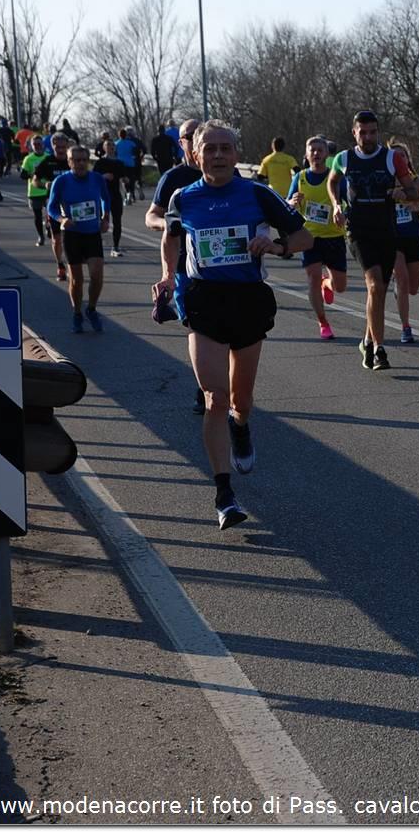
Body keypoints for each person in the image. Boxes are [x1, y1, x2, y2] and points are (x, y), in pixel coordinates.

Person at [153, 120, 312, 529]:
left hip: (247, 301)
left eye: (225, 148)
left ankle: (241, 428)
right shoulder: (183, 197)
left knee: (240, 401)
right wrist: (168, 276)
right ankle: (224, 495)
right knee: (215, 398)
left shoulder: (257, 193)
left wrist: (275, 245)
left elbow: (304, 238)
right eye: (210, 148)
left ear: (237, 154)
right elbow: (171, 237)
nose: (218, 155)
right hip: (203, 300)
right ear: (196, 154)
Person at [326, 110, 418, 371]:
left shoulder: (392, 158)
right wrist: (336, 205)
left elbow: (413, 191)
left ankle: (367, 340)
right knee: (375, 285)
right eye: (363, 132)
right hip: (358, 232)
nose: (368, 137)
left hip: (387, 231)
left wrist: (402, 193)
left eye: (373, 132)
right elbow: (332, 183)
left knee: (378, 292)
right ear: (354, 132)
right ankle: (379, 349)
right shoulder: (343, 159)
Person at [146, 117, 207, 414]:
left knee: (224, 329)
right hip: (185, 265)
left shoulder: (225, 172)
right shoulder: (173, 178)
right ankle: (205, 388)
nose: (194, 140)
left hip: (222, 266)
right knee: (198, 327)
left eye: (198, 134)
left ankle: (217, 384)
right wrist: (169, 224)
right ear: (181, 143)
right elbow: (151, 216)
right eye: (188, 136)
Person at [288, 135, 349, 340]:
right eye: (312, 150)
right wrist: (292, 202)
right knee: (312, 278)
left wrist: (344, 213)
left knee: (340, 286)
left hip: (334, 236)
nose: (316, 153)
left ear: (326, 154)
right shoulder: (300, 178)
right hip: (309, 237)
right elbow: (287, 203)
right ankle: (323, 322)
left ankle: (327, 284)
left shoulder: (336, 177)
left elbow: (350, 202)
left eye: (320, 150)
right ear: (306, 155)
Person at [47, 144, 112, 333]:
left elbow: (106, 199)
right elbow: (51, 207)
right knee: (76, 280)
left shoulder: (97, 179)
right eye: (77, 160)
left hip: (92, 233)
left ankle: (91, 309)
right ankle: (77, 313)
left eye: (84, 160)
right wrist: (62, 219)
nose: (81, 164)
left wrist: (105, 217)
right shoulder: (61, 181)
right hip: (72, 234)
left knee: (97, 276)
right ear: (69, 162)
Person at [386, 138, 419, 345]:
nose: (399, 159)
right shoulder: (385, 182)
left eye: (402, 155)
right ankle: (405, 327)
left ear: (407, 159)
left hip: (413, 237)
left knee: (412, 288)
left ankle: (399, 287)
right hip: (391, 238)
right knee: (402, 278)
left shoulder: (417, 183)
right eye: (395, 156)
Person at [32, 131, 74, 281]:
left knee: (72, 237)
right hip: (54, 204)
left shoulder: (72, 161)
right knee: (56, 238)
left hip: (72, 204)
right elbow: (35, 180)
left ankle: (72, 265)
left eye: (63, 147)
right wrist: (45, 184)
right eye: (58, 148)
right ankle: (60, 265)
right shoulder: (48, 161)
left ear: (67, 146)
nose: (61, 150)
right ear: (53, 147)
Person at [93, 140, 129, 257]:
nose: (111, 147)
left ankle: (115, 247)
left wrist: (125, 180)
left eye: (113, 145)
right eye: (108, 145)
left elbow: (124, 177)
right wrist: (103, 176)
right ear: (104, 148)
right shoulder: (100, 162)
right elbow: (93, 178)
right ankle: (96, 246)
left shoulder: (119, 163)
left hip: (115, 194)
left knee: (117, 221)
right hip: (102, 195)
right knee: (101, 220)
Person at [19, 135, 52, 249]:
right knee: (37, 216)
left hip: (48, 191)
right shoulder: (28, 159)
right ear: (31, 146)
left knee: (51, 214)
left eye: (39, 144)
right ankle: (40, 237)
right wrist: (33, 175)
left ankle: (49, 227)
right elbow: (23, 175)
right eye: (35, 144)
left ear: (43, 145)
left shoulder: (48, 157)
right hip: (34, 192)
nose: (37, 146)